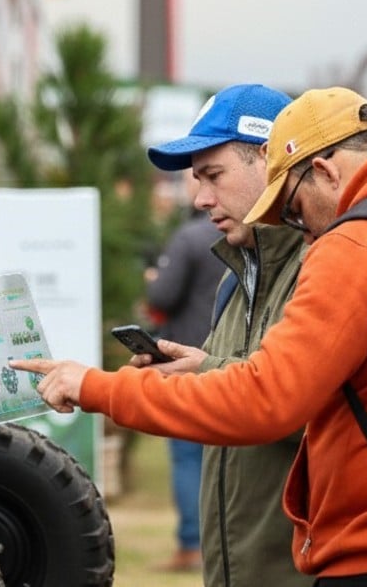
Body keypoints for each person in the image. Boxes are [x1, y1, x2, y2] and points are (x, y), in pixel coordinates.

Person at [14, 87, 367, 585]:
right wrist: (211, 369)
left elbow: (271, 400)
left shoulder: (354, 247)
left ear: (322, 169)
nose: (303, 227)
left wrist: (96, 388)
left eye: (291, 204)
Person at [142, 83, 308, 587]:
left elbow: (310, 414)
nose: (200, 198)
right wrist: (201, 370)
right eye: (197, 179)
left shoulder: (324, 270)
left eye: (213, 175)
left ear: (269, 159)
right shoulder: (235, 275)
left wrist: (206, 373)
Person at [142, 174, 225, 573]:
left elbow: (162, 296)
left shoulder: (189, 238)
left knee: (188, 458)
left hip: (185, 359)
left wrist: (154, 280)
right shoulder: (254, 233)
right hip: (231, 359)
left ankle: (192, 545)